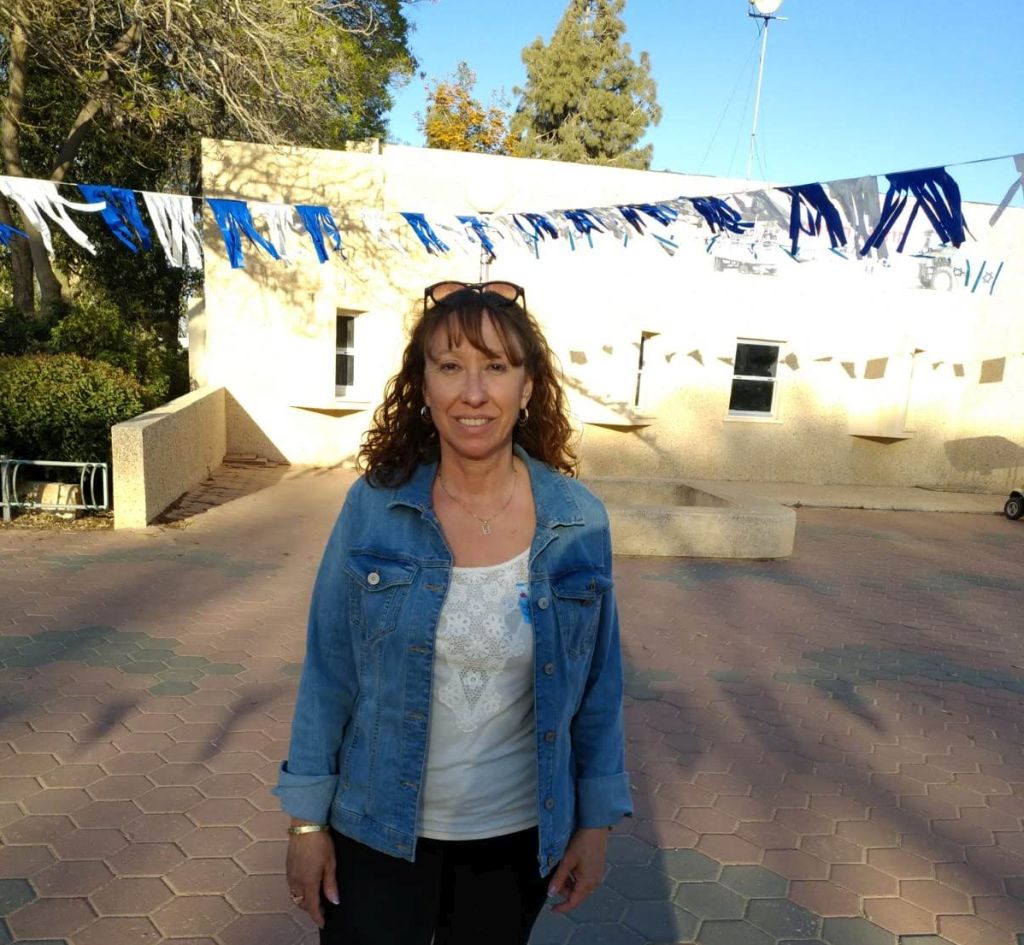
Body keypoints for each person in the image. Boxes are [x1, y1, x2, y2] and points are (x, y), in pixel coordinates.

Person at [273, 280, 631, 945]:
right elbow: (329, 671)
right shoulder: (373, 508)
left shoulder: (578, 521)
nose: (474, 392)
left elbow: (599, 691)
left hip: (514, 841)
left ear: (528, 387)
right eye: (450, 366)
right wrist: (304, 821)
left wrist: (596, 821)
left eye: (496, 366)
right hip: (375, 829)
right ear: (423, 385)